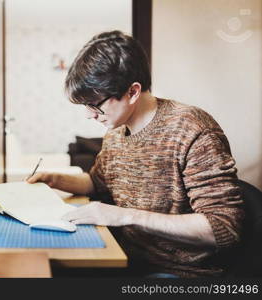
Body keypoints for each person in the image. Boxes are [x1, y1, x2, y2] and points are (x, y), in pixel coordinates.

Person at [26, 31, 244, 278]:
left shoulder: (192, 128)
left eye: (95, 104)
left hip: (180, 272)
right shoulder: (116, 132)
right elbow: (98, 183)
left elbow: (223, 228)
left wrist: (124, 216)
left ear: (132, 92)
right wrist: (53, 179)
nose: (89, 114)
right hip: (126, 259)